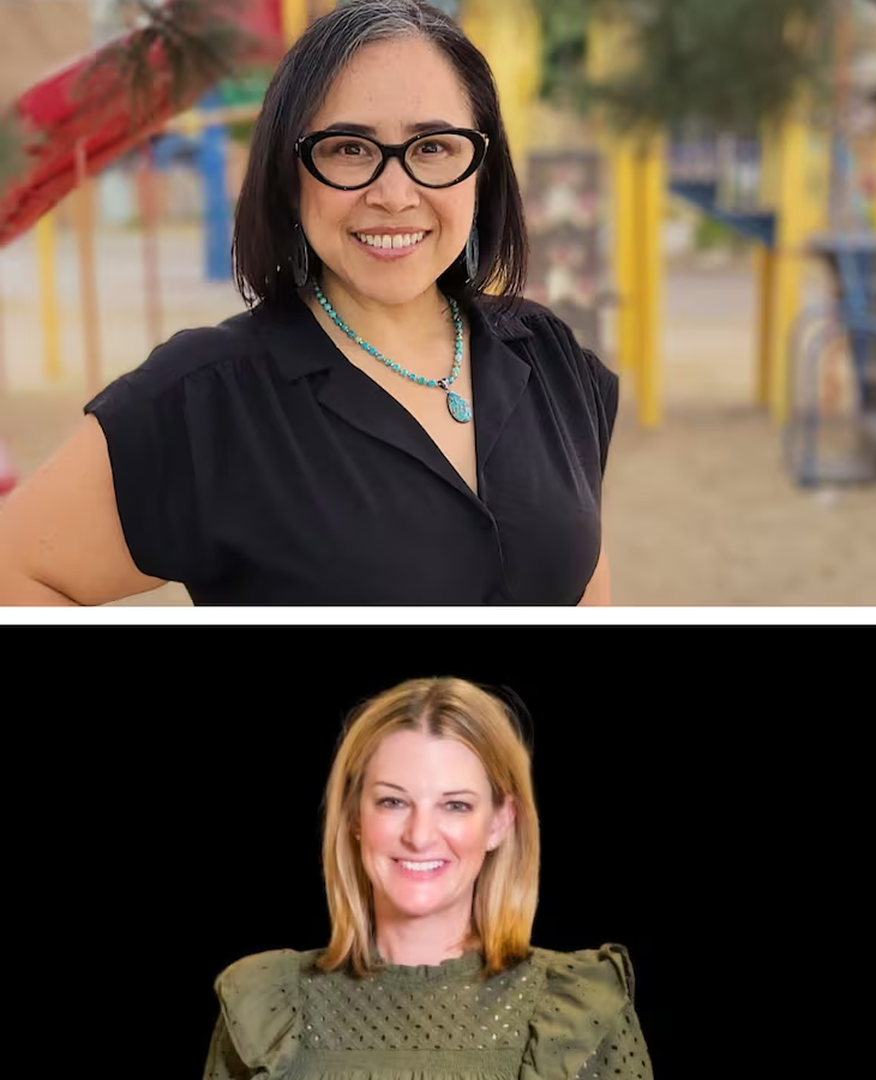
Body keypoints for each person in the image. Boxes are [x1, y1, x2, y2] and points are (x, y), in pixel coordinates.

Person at [0, 0, 616, 605]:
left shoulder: (551, 356)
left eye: (433, 147)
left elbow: (582, 580)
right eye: (349, 148)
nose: (394, 194)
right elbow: (16, 571)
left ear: (481, 170)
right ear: (290, 179)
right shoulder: (208, 398)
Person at [202, 677, 652, 1080]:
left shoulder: (580, 1009)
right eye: (393, 802)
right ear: (355, 815)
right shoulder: (266, 1006)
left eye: (455, 805)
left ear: (499, 822)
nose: (419, 835)